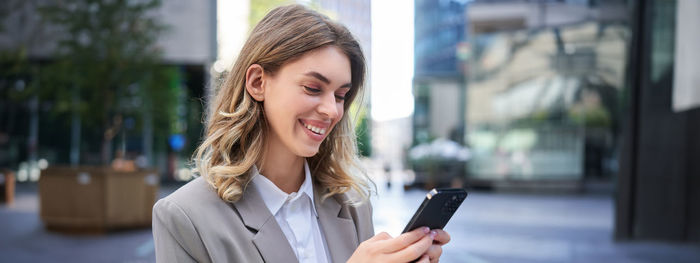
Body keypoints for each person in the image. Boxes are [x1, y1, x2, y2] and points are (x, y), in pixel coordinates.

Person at [152, 4, 450, 263]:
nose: (332, 111)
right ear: (258, 82)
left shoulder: (353, 205)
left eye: (340, 95)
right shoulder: (185, 217)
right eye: (313, 88)